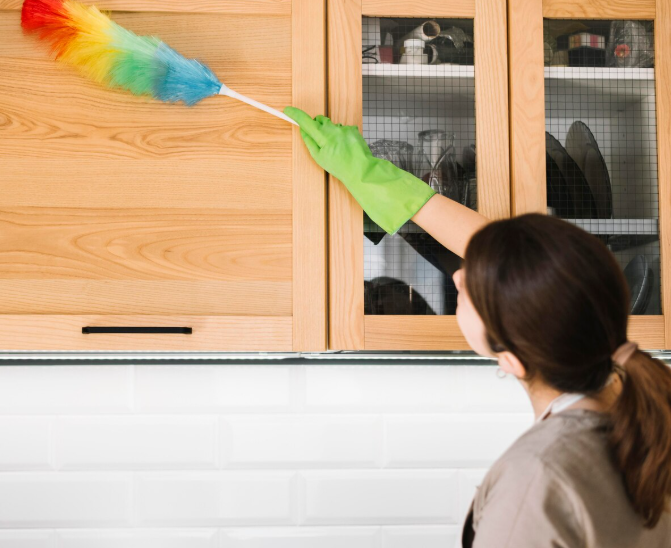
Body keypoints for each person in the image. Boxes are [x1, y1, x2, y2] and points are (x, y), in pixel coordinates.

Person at [284, 107, 671, 547]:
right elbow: (518, 263)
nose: (457, 276)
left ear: (509, 357)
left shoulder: (539, 478)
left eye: (470, 291)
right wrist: (373, 177)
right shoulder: (646, 429)